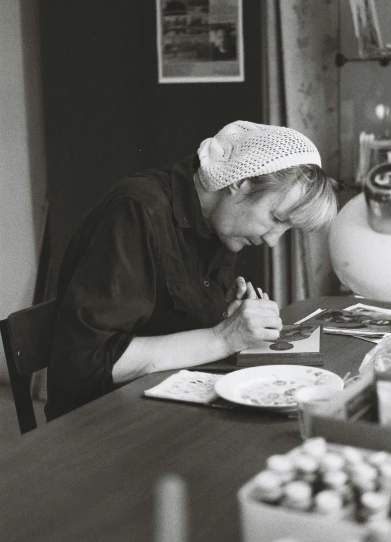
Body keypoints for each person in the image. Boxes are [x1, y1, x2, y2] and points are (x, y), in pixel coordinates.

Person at [46, 120, 338, 420]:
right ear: (240, 182)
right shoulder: (137, 210)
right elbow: (82, 364)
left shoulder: (219, 222)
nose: (272, 240)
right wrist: (224, 337)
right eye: (276, 218)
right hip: (98, 423)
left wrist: (228, 315)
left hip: (166, 404)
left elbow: (172, 324)